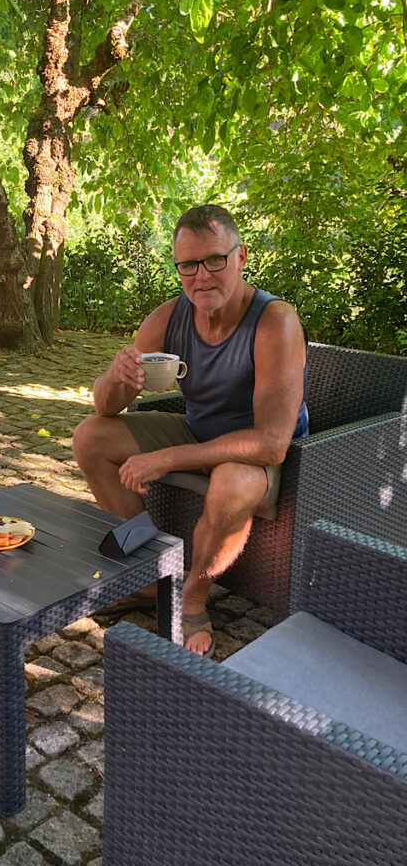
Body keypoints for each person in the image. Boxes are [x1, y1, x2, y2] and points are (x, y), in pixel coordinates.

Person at [72, 204, 308, 656]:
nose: (202, 275)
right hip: (199, 431)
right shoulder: (168, 317)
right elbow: (103, 407)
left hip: (259, 453)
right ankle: (145, 573)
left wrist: (166, 458)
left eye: (215, 259)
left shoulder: (274, 323)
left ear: (240, 257)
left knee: (230, 479)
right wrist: (118, 378)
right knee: (90, 437)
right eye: (188, 265)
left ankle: (194, 596)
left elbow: (272, 443)